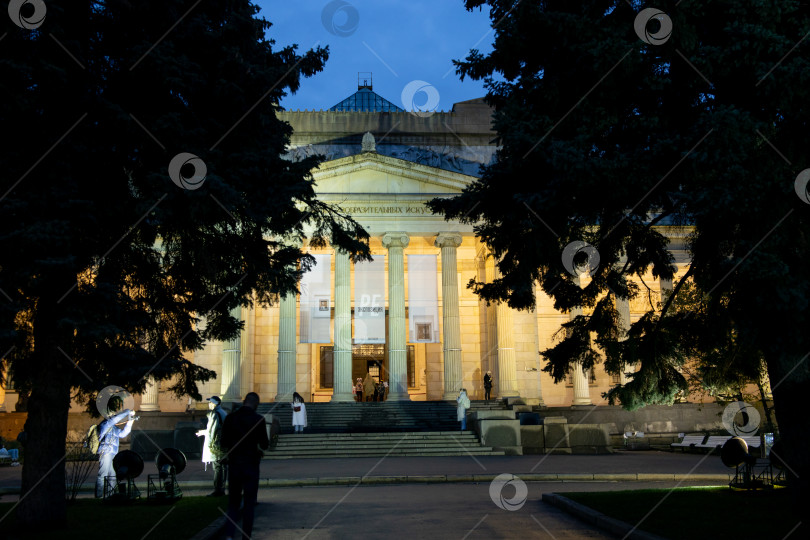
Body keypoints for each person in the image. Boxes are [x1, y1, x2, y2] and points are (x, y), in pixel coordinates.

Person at [222, 392, 269, 540]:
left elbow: (223, 443)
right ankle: (245, 536)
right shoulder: (258, 419)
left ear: (244, 402)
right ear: (256, 404)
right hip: (251, 465)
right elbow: (264, 444)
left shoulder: (230, 418)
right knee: (249, 504)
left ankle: (229, 535)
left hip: (235, 465)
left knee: (233, 503)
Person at [96, 408, 136, 498]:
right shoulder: (105, 424)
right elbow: (114, 420)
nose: (114, 416)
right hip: (105, 452)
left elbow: (123, 434)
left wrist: (130, 421)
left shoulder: (114, 427)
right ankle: (99, 496)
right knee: (103, 474)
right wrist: (127, 412)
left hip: (113, 454)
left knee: (113, 475)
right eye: (112, 414)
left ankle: (110, 494)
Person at [196, 396, 227, 496]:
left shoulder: (214, 414)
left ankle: (218, 490)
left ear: (214, 404)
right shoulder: (223, 412)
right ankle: (221, 488)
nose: (209, 404)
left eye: (210, 403)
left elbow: (212, 431)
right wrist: (203, 432)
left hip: (216, 445)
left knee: (217, 467)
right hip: (223, 443)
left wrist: (210, 445)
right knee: (222, 466)